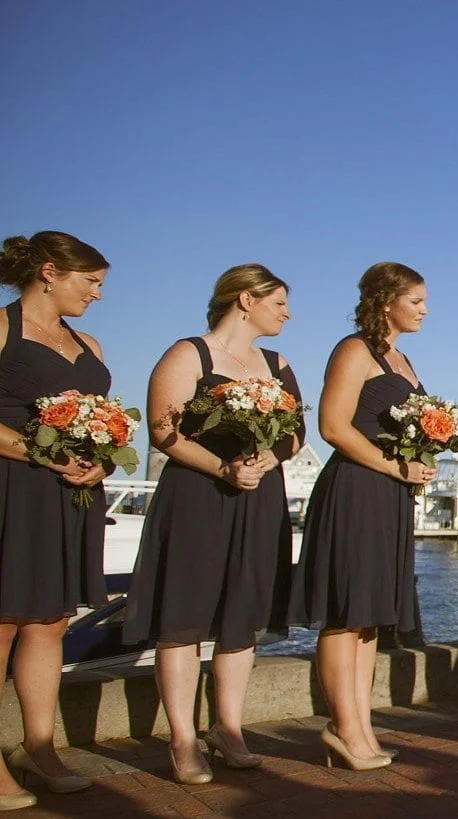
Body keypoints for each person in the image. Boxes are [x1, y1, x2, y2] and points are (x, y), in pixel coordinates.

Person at [124, 264, 305, 784]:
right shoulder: (189, 354)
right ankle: (182, 739)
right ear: (245, 299)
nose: (287, 314)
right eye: (279, 303)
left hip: (259, 497)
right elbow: (164, 431)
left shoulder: (278, 362)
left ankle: (229, 727)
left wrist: (270, 459)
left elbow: (296, 432)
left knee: (241, 613)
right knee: (183, 613)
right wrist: (223, 467)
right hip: (198, 495)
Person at [288, 262, 436, 771]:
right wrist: (398, 465)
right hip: (355, 487)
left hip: (391, 495)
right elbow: (332, 426)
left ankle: (361, 725)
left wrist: (421, 461)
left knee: (370, 617)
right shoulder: (355, 350)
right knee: (345, 612)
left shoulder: (403, 359)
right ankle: (342, 728)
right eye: (416, 300)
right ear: (387, 300)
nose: (424, 309)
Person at [0, 231, 111, 809]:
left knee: (49, 621)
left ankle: (38, 748)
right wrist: (39, 453)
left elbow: (109, 424)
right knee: (3, 622)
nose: (96, 294)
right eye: (89, 281)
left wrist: (100, 462)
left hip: (68, 497)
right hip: (10, 488)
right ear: (49, 271)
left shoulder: (87, 342)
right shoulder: (1, 327)